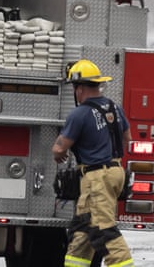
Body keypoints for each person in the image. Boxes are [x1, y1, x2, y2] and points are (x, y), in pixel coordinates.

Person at [52, 59, 134, 267]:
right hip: (114, 172)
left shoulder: (79, 114)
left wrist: (58, 154)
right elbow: (127, 138)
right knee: (83, 228)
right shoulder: (114, 108)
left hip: (97, 177)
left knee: (103, 228)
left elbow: (60, 148)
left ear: (79, 89)